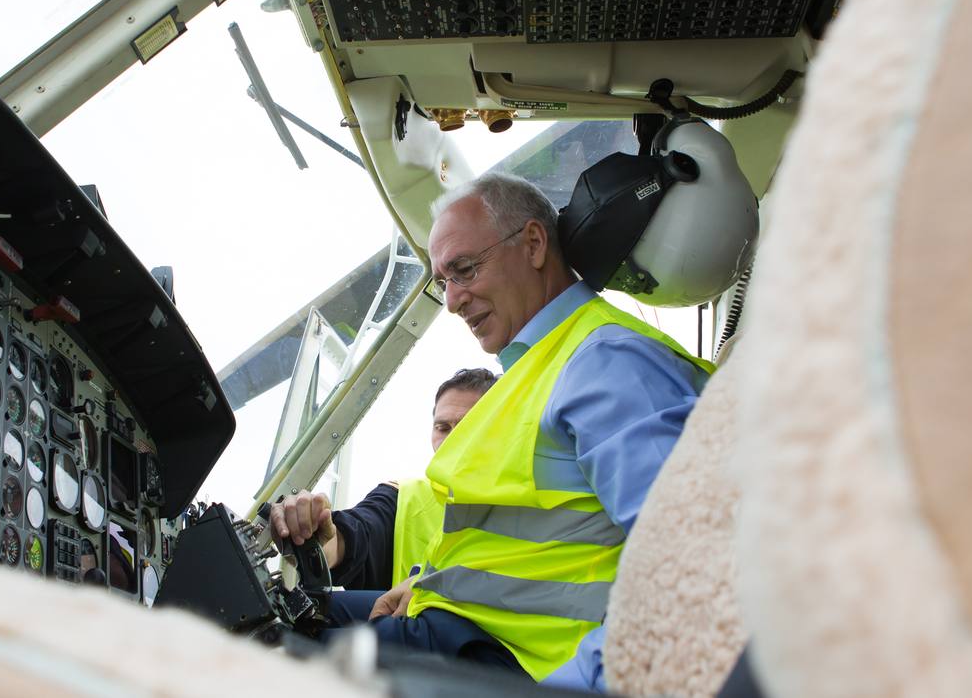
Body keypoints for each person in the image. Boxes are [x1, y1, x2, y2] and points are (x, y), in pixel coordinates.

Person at [330, 172, 714, 690]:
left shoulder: (603, 362)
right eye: (442, 282)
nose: (452, 300)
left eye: (463, 270)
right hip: (472, 633)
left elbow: (696, 563)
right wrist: (426, 587)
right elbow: (553, 544)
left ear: (533, 244)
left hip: (523, 667)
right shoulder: (541, 366)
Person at [268, 367, 498, 591]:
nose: (451, 439)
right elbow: (352, 538)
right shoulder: (401, 497)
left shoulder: (530, 503)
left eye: (468, 426)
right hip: (408, 627)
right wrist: (312, 534)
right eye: (442, 427)